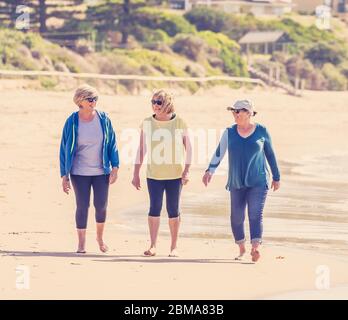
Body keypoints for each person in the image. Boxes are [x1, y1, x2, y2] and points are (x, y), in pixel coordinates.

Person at [202, 100, 280, 262]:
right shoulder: (229, 132)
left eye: (239, 111)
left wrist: (276, 176)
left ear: (249, 112)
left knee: (255, 214)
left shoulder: (261, 131)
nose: (235, 114)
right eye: (233, 111)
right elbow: (219, 152)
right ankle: (242, 247)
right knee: (236, 217)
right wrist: (210, 170)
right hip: (237, 181)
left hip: (258, 180)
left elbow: (270, 154)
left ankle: (255, 247)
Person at [132, 89, 192, 257]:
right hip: (154, 175)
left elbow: (189, 148)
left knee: (173, 209)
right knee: (154, 208)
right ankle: (152, 246)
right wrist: (135, 172)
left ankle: (174, 247)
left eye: (158, 102)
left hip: (175, 175)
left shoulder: (179, 122)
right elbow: (141, 149)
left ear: (167, 103)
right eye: (153, 102)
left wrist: (186, 171)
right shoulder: (147, 122)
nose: (155, 105)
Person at [59, 84, 119, 254]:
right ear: (80, 101)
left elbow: (112, 143)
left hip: (101, 171)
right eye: (90, 99)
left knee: (101, 206)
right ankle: (81, 244)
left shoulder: (103, 118)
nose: (94, 102)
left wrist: (115, 166)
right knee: (82, 206)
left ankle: (100, 238)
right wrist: (64, 175)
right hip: (79, 172)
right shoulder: (71, 121)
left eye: (95, 99)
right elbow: (64, 149)